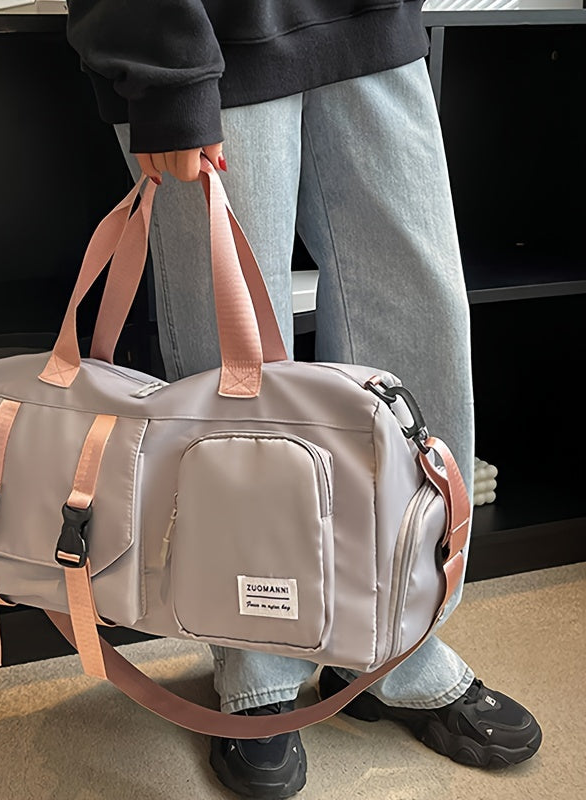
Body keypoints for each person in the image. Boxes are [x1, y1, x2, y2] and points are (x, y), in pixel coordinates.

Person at [65, 2, 542, 797]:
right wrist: (168, 76)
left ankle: (396, 646)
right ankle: (257, 665)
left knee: (421, 329)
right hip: (212, 42)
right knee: (236, 375)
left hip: (370, 25)